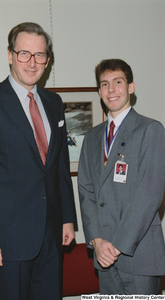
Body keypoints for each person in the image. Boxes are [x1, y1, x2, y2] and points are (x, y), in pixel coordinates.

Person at [0, 22, 76, 300]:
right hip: (7, 240)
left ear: (47, 61)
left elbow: (59, 168)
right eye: (24, 53)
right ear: (9, 55)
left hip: (51, 235)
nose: (32, 62)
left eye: (39, 55)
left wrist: (66, 220)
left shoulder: (54, 103)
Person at [78, 58, 165, 295]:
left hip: (139, 255)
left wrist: (116, 246)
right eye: (105, 84)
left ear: (131, 87)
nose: (111, 89)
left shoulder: (151, 129)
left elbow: (150, 193)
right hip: (103, 256)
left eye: (118, 82)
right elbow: (86, 192)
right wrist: (97, 240)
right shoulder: (92, 137)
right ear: (99, 91)